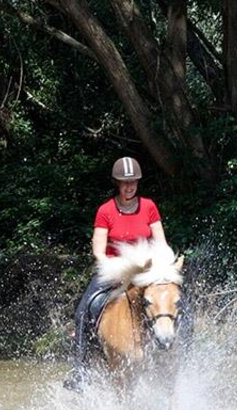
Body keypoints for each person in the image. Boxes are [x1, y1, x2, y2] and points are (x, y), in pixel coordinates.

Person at [63, 156, 167, 391]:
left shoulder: (149, 207)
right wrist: (117, 270)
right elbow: (99, 251)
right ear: (117, 183)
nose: (129, 187)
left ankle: (178, 352)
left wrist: (161, 266)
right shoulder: (105, 211)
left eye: (134, 182)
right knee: (83, 311)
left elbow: (160, 243)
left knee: (176, 301)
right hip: (113, 270)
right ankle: (79, 370)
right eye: (124, 182)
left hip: (144, 269)